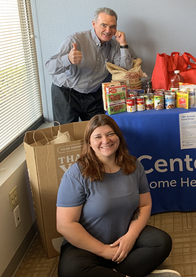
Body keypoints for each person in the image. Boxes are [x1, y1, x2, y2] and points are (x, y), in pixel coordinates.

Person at [56, 114, 180, 277]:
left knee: (161, 242)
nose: (105, 141)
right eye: (98, 136)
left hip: (123, 237)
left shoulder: (134, 165)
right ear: (89, 143)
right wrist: (103, 250)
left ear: (118, 137)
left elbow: (144, 205)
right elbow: (65, 225)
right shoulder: (76, 174)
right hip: (87, 244)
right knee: (70, 272)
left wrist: (131, 236)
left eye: (110, 134)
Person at [45, 7, 133, 124]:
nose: (108, 30)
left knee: (98, 131)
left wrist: (123, 44)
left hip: (93, 95)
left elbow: (125, 70)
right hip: (66, 93)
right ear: (94, 24)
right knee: (66, 135)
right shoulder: (76, 39)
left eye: (113, 26)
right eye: (103, 25)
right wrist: (68, 59)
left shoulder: (115, 45)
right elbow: (49, 67)